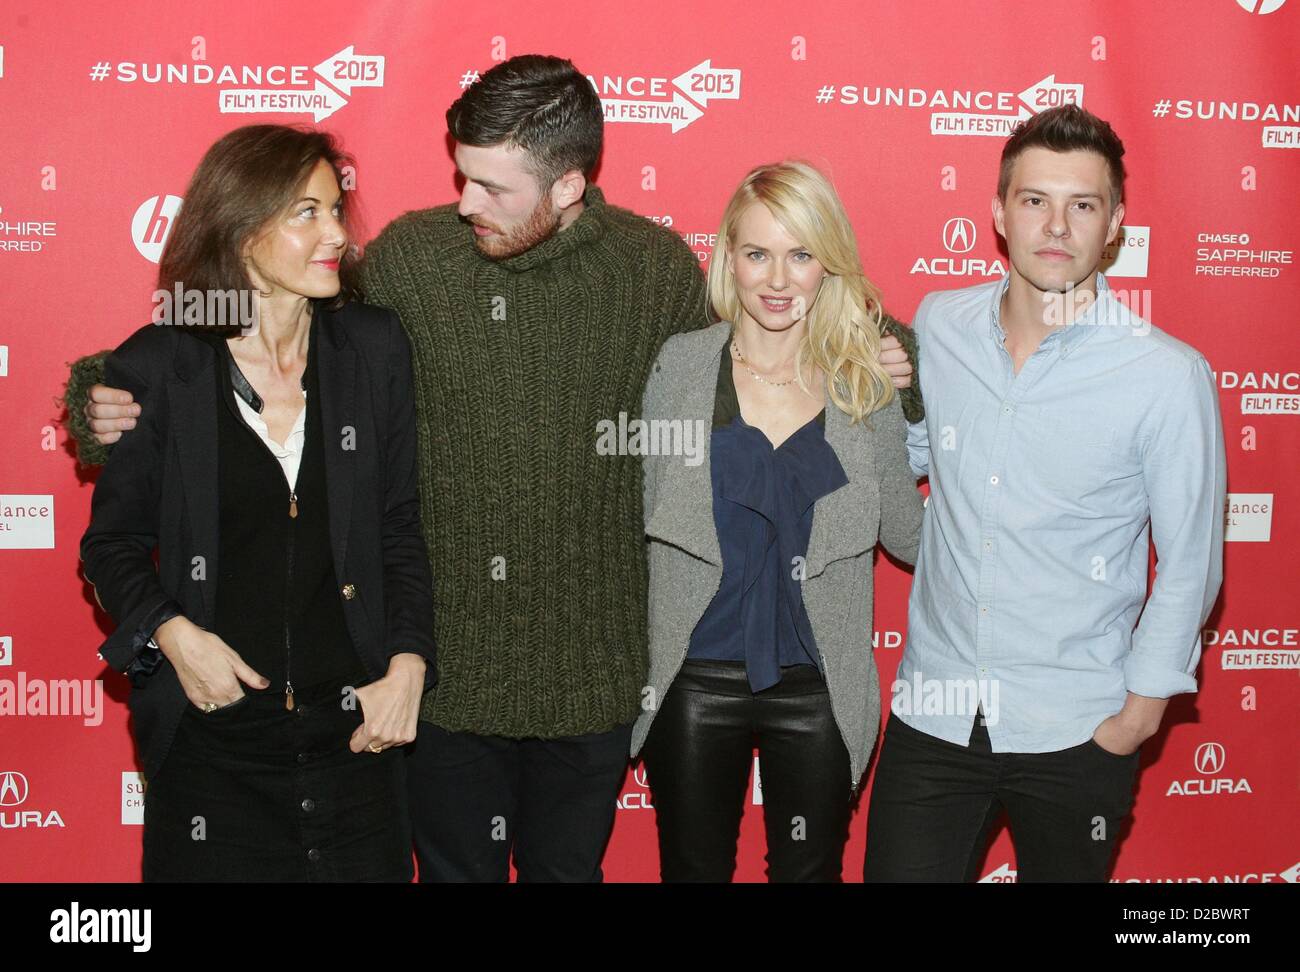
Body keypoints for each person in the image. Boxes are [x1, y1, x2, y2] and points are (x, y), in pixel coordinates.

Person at [69, 55, 919, 883]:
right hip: (440, 681)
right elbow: (267, 328)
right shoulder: (410, 259)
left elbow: (761, 341)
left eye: (492, 187)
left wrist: (889, 355)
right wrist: (104, 395)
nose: (465, 201)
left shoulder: (652, 271)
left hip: (594, 678)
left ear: (568, 187)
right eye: (461, 176)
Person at [863, 104, 1226, 882]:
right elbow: (919, 461)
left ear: (1115, 224)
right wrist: (895, 403)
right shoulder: (942, 323)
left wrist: (1137, 717)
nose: (1056, 226)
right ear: (999, 211)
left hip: (1078, 730)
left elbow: (1191, 564)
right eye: (1035, 201)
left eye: (1082, 205)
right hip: (935, 714)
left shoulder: (1165, 376)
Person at [79, 124, 436, 881]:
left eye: (337, 209)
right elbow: (109, 547)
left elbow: (399, 527)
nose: (337, 232)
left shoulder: (374, 351)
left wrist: (408, 667)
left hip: (356, 745)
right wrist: (174, 637)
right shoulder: (160, 364)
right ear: (242, 230)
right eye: (307, 213)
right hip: (213, 750)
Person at [633, 161, 923, 881]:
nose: (777, 278)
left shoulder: (863, 383)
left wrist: (914, 401)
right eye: (757, 252)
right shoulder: (682, 366)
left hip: (819, 682)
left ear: (829, 262)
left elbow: (907, 537)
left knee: (810, 873)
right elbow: (635, 509)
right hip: (696, 673)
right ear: (729, 256)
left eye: (800, 255)